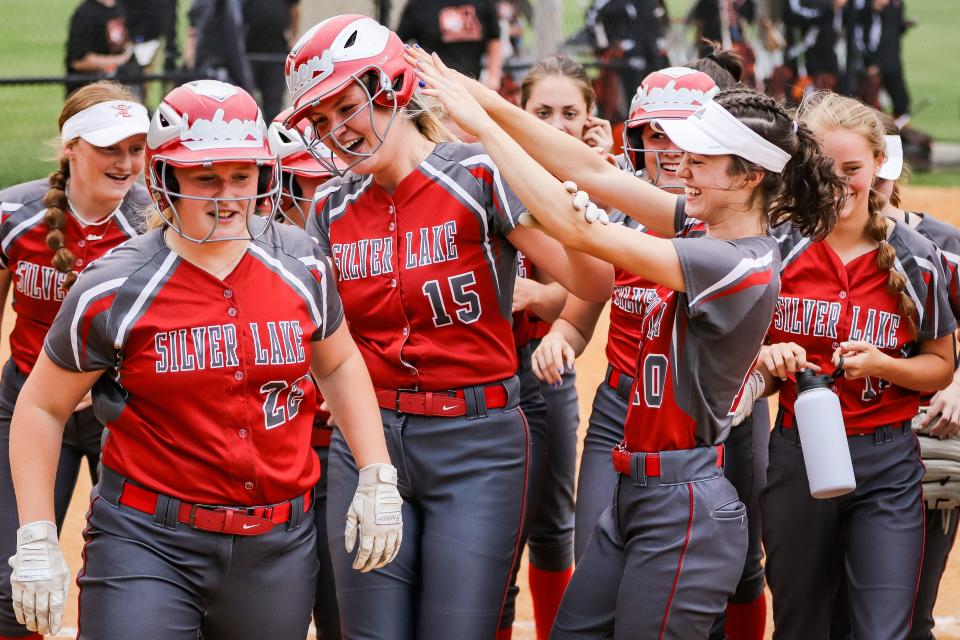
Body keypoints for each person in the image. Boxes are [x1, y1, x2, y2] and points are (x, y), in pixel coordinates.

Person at [408, 45, 841, 638]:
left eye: (704, 159)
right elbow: (593, 174)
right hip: (636, 491)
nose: (681, 166)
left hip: (683, 504)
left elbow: (574, 224)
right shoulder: (704, 222)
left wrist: (480, 127)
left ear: (751, 176)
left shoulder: (738, 263)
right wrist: (472, 91)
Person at [6, 79, 403, 639]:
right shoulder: (114, 285)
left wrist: (376, 472)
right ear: (164, 180)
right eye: (205, 177)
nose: (227, 195)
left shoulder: (302, 263)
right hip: (148, 542)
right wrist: (38, 535)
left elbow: (336, 364)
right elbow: (43, 406)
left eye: (241, 176)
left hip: (275, 546)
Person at [285, 15, 613, 639]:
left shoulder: (478, 176)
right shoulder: (329, 206)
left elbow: (593, 283)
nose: (337, 133)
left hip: (478, 442)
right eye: (320, 122)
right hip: (370, 441)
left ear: (393, 90)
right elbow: (326, 348)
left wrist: (573, 207)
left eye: (346, 107)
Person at [753, 92, 955, 639]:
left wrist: (886, 367)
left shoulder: (916, 256)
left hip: (888, 461)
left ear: (878, 168)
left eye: (854, 169)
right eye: (826, 169)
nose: (840, 184)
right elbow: (744, 368)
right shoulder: (776, 247)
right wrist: (768, 361)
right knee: (801, 625)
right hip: (800, 454)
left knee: (882, 629)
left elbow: (939, 366)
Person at [0, 80, 149, 640]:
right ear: (71, 147)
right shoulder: (14, 213)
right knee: (13, 579)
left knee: (127, 580)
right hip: (29, 410)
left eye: (136, 148)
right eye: (110, 148)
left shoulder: (158, 223)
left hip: (127, 418)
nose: (126, 162)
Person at [827, 121, 960, 640]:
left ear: (890, 168)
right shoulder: (810, 242)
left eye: (869, 174)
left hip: (921, 448)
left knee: (906, 619)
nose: (860, 192)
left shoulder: (940, 245)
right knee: (827, 614)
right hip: (820, 452)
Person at [499, 54, 613, 640]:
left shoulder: (591, 187)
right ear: (518, 112)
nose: (557, 123)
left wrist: (540, 299)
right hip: (486, 372)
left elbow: (595, 289)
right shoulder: (490, 170)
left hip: (546, 369)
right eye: (543, 111)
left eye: (571, 113)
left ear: (591, 119)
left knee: (550, 523)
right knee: (496, 533)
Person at [267, 108, 345, 640]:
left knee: (346, 614)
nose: (328, 198)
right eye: (314, 184)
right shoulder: (252, 257)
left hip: (344, 453)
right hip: (277, 464)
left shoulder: (366, 247)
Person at [397, 0, 504, 90]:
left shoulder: (484, 3)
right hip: (433, 87)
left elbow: (494, 39)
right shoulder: (419, 5)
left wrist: (493, 77)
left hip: (473, 85)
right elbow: (399, 42)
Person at [65, 0, 139, 96]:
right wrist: (119, 60)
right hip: (90, 90)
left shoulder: (120, 6)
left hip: (119, 86)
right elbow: (79, 61)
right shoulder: (86, 12)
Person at [244, 0, 301, 121]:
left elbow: (294, 10)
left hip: (276, 57)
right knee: (246, 105)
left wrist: (293, 36)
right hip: (249, 55)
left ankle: (272, 137)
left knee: (273, 109)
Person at [185, 0, 255, 93]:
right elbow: (234, 46)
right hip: (217, 72)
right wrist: (246, 84)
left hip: (208, 68)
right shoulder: (225, 6)